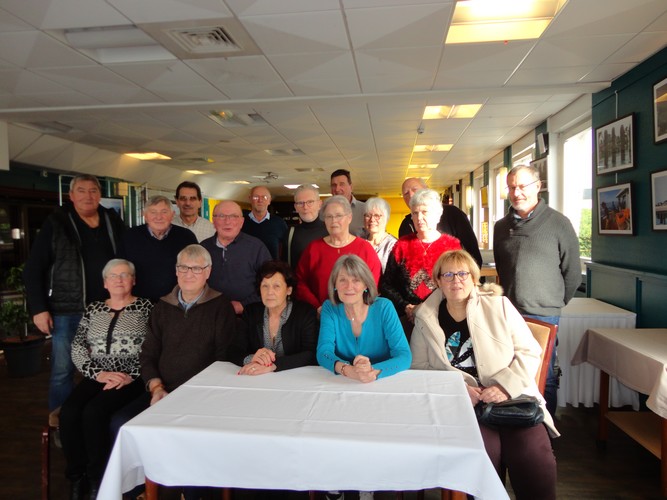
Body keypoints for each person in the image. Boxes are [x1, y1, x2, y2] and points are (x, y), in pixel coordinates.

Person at [410, 249, 558, 500]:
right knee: (483, 453)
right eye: (448, 274)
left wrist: (503, 387)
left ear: (474, 278)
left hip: (512, 398)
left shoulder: (498, 305)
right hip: (462, 403)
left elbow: (530, 351)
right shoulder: (425, 317)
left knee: (534, 456)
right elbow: (418, 369)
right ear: (437, 281)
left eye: (462, 274)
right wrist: (457, 389)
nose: (456, 280)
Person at [23, 174, 124, 416]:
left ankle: (97, 418)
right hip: (68, 311)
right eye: (81, 190)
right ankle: (61, 422)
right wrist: (38, 308)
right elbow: (33, 268)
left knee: (109, 367)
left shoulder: (112, 220)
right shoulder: (56, 223)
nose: (88, 196)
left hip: (107, 311)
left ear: (100, 195)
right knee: (62, 370)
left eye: (93, 191)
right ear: (71, 195)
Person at [59, 259, 152, 500]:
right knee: (69, 413)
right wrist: (96, 373)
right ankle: (77, 476)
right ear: (104, 282)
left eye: (124, 275)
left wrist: (130, 375)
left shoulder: (145, 308)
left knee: (94, 413)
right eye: (113, 275)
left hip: (129, 378)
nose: (119, 279)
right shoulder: (94, 309)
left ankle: (98, 479)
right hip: (97, 374)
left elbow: (152, 347)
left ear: (134, 280)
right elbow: (78, 345)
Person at [494, 165, 580, 416]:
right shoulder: (501, 227)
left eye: (522, 186)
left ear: (538, 186)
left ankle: (545, 428)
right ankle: (516, 421)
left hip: (544, 314)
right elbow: (503, 267)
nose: (516, 192)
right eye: (511, 187)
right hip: (509, 313)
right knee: (509, 370)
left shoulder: (559, 223)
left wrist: (554, 302)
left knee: (545, 375)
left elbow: (572, 271)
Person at [317, 254, 411, 382]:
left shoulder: (384, 307)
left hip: (384, 382)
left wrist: (373, 372)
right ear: (335, 285)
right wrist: (346, 369)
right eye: (342, 280)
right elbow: (324, 352)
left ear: (366, 285)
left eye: (356, 280)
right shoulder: (329, 308)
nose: (349, 286)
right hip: (343, 382)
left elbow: (404, 356)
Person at [380, 188, 461, 329]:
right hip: (407, 319)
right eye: (415, 213)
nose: (419, 218)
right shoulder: (401, 245)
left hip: (443, 317)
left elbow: (459, 283)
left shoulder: (452, 246)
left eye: (424, 212)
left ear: (437, 215)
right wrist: (406, 307)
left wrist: (430, 309)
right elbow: (387, 284)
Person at [230, 260, 319, 374]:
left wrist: (274, 365)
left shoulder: (305, 312)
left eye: (276, 286)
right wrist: (252, 358)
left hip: (295, 378)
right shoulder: (251, 312)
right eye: (265, 286)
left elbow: (310, 354)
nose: (269, 292)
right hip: (258, 378)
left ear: (289, 290)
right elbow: (233, 350)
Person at [296, 196, 381, 312]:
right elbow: (300, 282)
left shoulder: (365, 249)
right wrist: (318, 308)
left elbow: (372, 285)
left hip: (357, 316)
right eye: (329, 217)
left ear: (349, 217)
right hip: (319, 317)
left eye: (338, 216)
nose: (333, 221)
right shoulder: (313, 249)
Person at [119, 195, 197, 302]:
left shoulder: (187, 237)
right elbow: (121, 270)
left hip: (177, 303)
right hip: (139, 304)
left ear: (172, 215)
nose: (159, 217)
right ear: (145, 215)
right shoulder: (129, 237)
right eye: (153, 212)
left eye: (164, 212)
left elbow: (197, 271)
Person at [201, 201, 272, 315]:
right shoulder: (203, 248)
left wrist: (244, 305)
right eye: (221, 216)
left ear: (241, 222)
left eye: (234, 216)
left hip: (249, 315)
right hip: (210, 314)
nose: (227, 221)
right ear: (213, 221)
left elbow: (270, 282)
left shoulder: (257, 247)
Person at [398, 177, 482, 267]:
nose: (411, 195)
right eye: (406, 193)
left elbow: (472, 251)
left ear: (426, 189)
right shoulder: (406, 225)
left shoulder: (453, 214)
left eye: (414, 189)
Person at [285, 184, 328, 269]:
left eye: (310, 202)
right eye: (300, 203)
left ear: (319, 204)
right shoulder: (290, 233)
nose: (305, 207)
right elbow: (285, 268)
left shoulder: (330, 230)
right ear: (296, 207)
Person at [241, 185, 288, 260]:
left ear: (269, 200)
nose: (260, 200)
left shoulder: (279, 223)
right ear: (250, 199)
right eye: (256, 197)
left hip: (272, 270)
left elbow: (286, 250)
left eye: (264, 197)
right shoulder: (240, 223)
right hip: (246, 270)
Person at [364, 197, 397, 272]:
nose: (372, 219)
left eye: (377, 215)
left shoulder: (393, 245)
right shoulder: (360, 243)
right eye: (368, 215)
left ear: (386, 218)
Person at [330, 169, 366, 237]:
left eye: (342, 184)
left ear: (351, 187)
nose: (337, 189)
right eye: (334, 185)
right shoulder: (325, 211)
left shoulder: (365, 209)